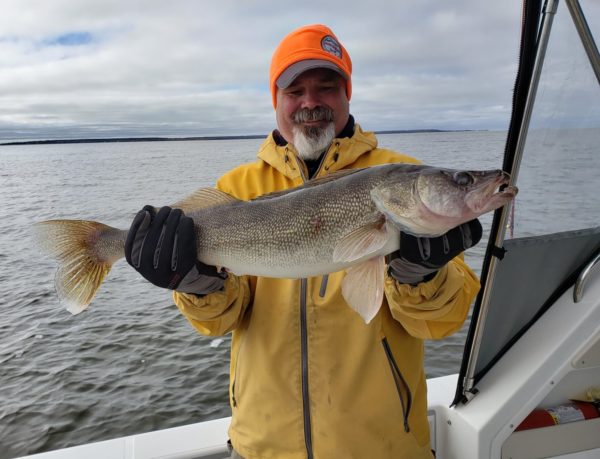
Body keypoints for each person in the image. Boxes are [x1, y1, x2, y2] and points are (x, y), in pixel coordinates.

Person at [125, 24, 482, 459]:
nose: (310, 102)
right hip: (263, 448)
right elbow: (218, 322)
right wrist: (197, 285)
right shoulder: (235, 189)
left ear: (347, 94)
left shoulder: (401, 175)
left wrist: (420, 277)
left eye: (326, 87)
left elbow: (442, 322)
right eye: (294, 91)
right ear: (275, 100)